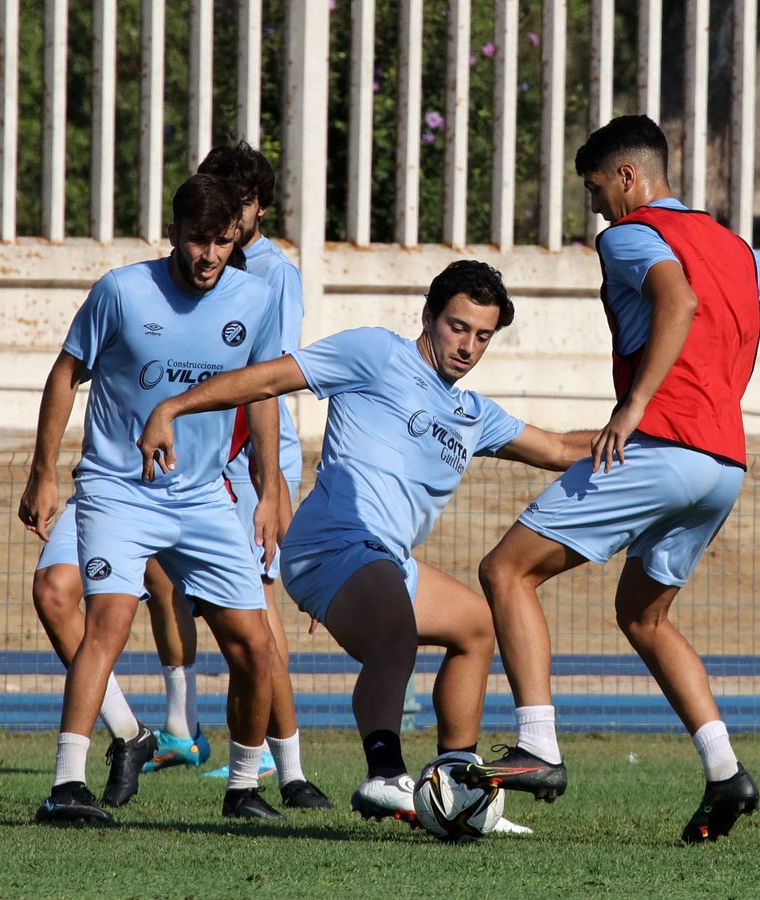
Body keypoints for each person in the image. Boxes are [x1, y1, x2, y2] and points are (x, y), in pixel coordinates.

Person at [455, 115, 760, 844]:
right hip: (723, 466)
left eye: (598, 187)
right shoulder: (737, 248)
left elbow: (678, 300)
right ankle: (725, 771)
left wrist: (633, 408)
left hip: (659, 448)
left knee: (505, 571)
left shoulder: (632, 235)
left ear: (629, 177)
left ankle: (538, 745)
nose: (598, 206)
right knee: (643, 616)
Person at [137, 261, 593, 832]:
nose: (468, 346)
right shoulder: (377, 353)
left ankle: (457, 787)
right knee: (396, 632)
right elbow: (268, 379)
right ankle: (384, 773)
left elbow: (557, 448)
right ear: (428, 316)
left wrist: (644, 434)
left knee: (477, 625)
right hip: (329, 544)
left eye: (482, 336)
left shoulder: (475, 414)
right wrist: (172, 406)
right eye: (457, 327)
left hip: (384, 559)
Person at [19, 174, 300, 824]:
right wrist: (44, 471)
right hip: (118, 490)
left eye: (222, 242)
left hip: (203, 497)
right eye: (198, 240)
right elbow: (65, 373)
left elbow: (261, 392)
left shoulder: (254, 300)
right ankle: (66, 785)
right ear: (173, 233)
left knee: (255, 645)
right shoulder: (122, 290)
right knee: (107, 624)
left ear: (238, 239)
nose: (208, 256)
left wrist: (269, 490)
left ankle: (244, 787)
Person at [173, 144, 329, 809]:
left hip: (250, 462)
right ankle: (196, 731)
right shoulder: (198, 268)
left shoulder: (268, 275)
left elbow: (266, 379)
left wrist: (274, 483)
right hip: (204, 457)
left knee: (258, 624)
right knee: (192, 605)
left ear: (258, 205)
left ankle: (277, 766)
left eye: (241, 202)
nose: (230, 219)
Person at [29, 503, 209, 810]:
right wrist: (43, 473)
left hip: (178, 491)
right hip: (104, 486)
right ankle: (128, 734)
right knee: (52, 592)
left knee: (165, 583)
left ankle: (276, 770)